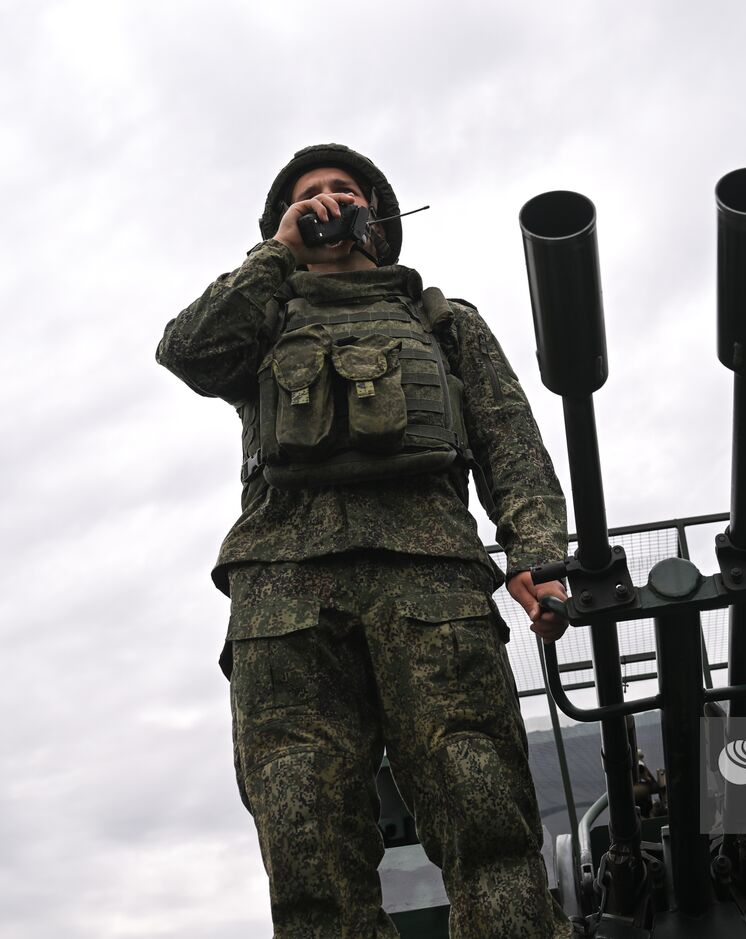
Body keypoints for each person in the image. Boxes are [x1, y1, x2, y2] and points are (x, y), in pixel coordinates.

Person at [156, 143, 573, 939]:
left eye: (342, 190)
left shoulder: (444, 323)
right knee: (305, 836)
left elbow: (512, 445)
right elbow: (186, 352)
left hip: (434, 586)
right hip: (284, 598)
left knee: (483, 807)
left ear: (378, 216)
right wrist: (277, 255)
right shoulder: (259, 322)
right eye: (307, 194)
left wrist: (538, 556)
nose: (325, 201)